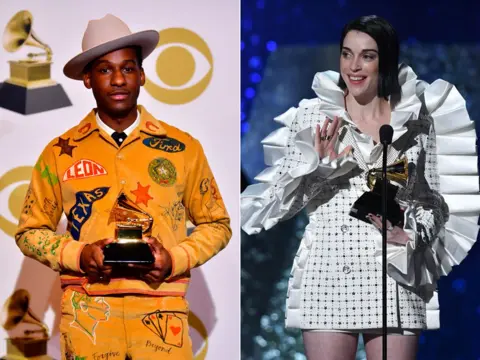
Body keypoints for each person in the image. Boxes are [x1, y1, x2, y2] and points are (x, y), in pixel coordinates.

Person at [241, 15, 479, 360]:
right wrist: (318, 169)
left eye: (367, 55)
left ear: (386, 61)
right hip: (330, 271)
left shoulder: (416, 120)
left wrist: (410, 234)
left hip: (396, 271)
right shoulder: (314, 116)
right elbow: (275, 204)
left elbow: (435, 203)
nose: (354, 66)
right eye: (346, 53)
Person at [15, 14, 232, 360]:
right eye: (105, 70)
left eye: (128, 68)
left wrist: (175, 258)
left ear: (142, 75)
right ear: (87, 78)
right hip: (89, 317)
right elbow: (29, 231)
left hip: (163, 315)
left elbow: (218, 225)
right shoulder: (59, 153)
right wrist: (79, 254)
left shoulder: (183, 148)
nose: (118, 80)